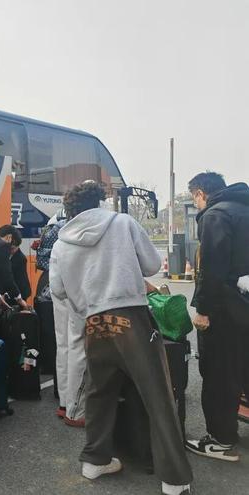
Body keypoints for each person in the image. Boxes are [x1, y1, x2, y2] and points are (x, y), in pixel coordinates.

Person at [50, 181, 192, 495]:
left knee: (99, 392)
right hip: (130, 316)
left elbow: (58, 290)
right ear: (99, 202)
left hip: (93, 322)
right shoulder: (122, 223)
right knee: (157, 393)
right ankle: (174, 478)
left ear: (70, 210)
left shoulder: (61, 243)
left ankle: (95, 460)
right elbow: (152, 265)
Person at [184, 172, 249, 462]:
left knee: (220, 375)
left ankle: (221, 441)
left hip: (226, 311)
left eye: (194, 198)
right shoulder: (244, 210)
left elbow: (212, 269)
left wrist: (203, 310)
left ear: (200, 193)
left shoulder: (215, 215)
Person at [40, 212, 87, 428]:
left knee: (63, 347)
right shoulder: (86, 234)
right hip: (79, 298)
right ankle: (76, 408)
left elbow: (55, 285)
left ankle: (64, 402)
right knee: (78, 349)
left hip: (60, 296)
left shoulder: (57, 235)